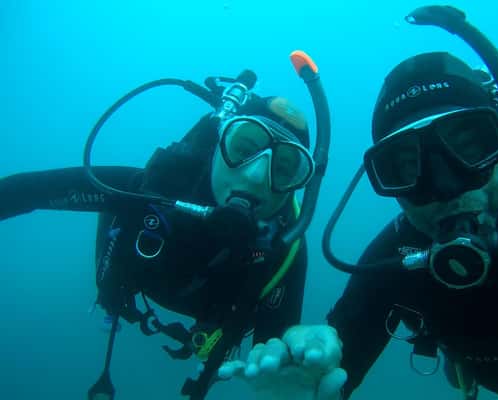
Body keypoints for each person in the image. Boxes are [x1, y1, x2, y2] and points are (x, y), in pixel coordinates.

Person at [217, 18, 498, 400]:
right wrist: (308, 386)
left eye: (469, 147)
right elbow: (333, 370)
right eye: (406, 167)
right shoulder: (397, 260)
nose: (444, 188)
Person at [0, 60, 330, 400]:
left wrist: (293, 384)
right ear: (219, 142)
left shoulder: (284, 252)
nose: (255, 176)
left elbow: (276, 360)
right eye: (243, 149)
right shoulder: (149, 189)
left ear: (298, 185)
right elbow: (24, 191)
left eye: (284, 169)